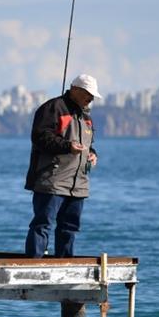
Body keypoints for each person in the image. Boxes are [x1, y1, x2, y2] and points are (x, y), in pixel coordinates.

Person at [24, 74, 101, 257]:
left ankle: (65, 264)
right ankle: (33, 264)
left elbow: (88, 144)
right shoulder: (53, 108)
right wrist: (67, 146)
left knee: (70, 228)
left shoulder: (86, 116)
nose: (91, 98)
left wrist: (92, 154)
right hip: (52, 181)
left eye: (93, 95)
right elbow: (40, 137)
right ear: (75, 90)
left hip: (78, 185)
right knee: (43, 224)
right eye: (88, 94)